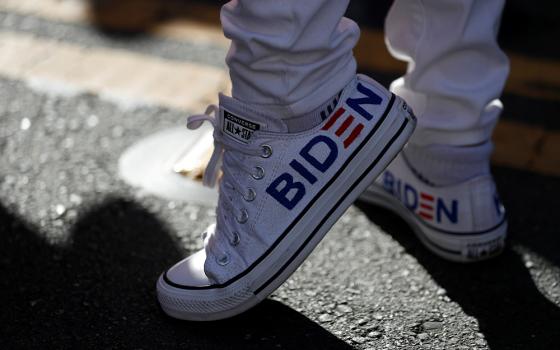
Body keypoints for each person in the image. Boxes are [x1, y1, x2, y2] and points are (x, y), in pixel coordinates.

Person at [156, 0, 509, 321]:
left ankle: (294, 109)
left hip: (301, 109)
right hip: (458, 149)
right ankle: (448, 150)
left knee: (283, 66)